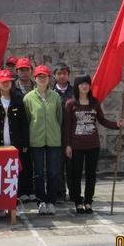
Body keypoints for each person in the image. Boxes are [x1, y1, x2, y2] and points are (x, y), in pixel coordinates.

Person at [64, 75, 124, 214]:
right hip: (76, 145)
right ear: (77, 86)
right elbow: (67, 126)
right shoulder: (70, 104)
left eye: (87, 83)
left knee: (91, 175)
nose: (84, 86)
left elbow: (102, 120)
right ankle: (78, 201)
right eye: (81, 84)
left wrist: (116, 125)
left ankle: (88, 201)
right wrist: (67, 145)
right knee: (76, 174)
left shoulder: (94, 103)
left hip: (92, 145)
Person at [23, 65, 63, 215]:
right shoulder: (28, 98)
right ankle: (41, 201)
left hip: (53, 140)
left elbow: (59, 118)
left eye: (44, 76)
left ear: (49, 78)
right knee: (38, 173)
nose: (42, 79)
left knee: (53, 172)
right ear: (35, 79)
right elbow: (27, 119)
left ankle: (51, 201)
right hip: (36, 140)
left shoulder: (55, 96)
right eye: (39, 76)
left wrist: (55, 132)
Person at [0, 70, 31, 201]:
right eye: (3, 82)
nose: (5, 84)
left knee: (16, 169)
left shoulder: (18, 100)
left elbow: (24, 123)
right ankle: (1, 196)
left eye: (8, 81)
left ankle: (17, 195)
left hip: (15, 142)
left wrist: (25, 142)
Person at [52, 63, 74, 202]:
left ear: (68, 75)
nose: (62, 76)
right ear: (54, 75)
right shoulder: (50, 92)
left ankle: (74, 192)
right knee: (57, 165)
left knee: (72, 165)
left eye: (64, 73)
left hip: (72, 133)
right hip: (56, 133)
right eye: (59, 73)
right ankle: (60, 192)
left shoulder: (75, 92)